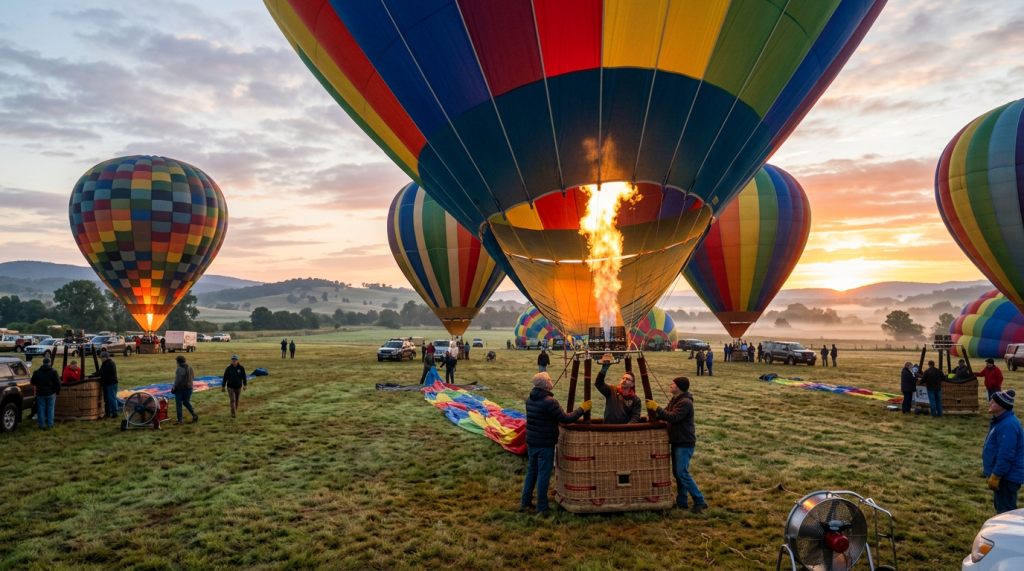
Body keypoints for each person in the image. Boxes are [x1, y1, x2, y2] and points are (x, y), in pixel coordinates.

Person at [522, 372, 590, 513]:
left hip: (532, 442)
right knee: (543, 475)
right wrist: (582, 409)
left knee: (532, 472)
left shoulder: (530, 398)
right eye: (549, 379)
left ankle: (525, 502)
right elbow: (565, 418)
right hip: (545, 443)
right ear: (546, 384)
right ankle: (542, 507)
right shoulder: (549, 402)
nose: (551, 381)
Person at [647, 377, 708, 513]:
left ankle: (700, 501)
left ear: (679, 387)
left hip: (684, 442)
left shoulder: (685, 402)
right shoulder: (675, 399)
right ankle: (682, 502)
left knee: (682, 473)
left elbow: (674, 417)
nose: (670, 385)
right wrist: (653, 416)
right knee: (677, 473)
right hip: (677, 440)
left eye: (673, 384)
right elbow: (666, 414)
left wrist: (657, 408)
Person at [983, 390, 1023, 513]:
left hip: (1007, 477)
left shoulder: (1007, 425)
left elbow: (1006, 454)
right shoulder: (1001, 421)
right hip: (1005, 475)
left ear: (1001, 406)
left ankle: (1010, 532)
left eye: (993, 401)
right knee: (1002, 511)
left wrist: (997, 475)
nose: (989, 403)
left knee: (1007, 514)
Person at [30, 357, 61, 429]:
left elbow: (32, 382)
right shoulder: (53, 371)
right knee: (50, 409)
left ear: (43, 362)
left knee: (41, 409)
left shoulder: (36, 372)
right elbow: (58, 383)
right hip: (51, 393)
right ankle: (50, 424)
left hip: (40, 393)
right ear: (49, 363)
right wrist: (58, 391)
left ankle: (41, 424)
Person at [92, 351, 119, 418]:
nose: (101, 360)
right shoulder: (108, 363)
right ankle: (108, 412)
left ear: (104, 358)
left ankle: (115, 413)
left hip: (111, 384)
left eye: (101, 358)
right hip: (107, 383)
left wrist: (94, 374)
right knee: (107, 399)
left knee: (112, 398)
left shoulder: (109, 363)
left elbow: (102, 371)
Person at [173, 355, 199, 424]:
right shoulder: (190, 367)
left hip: (180, 389)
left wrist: (174, 388)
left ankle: (180, 420)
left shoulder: (179, 369)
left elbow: (178, 380)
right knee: (186, 402)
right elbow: (192, 377)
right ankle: (194, 414)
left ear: (178, 362)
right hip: (189, 388)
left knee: (179, 404)